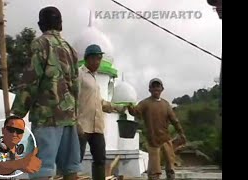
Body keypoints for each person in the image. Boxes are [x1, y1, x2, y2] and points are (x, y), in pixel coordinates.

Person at [10, 6, 81, 180]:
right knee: (70, 168)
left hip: (47, 116)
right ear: (61, 25)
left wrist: (17, 112)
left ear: (40, 24)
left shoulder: (40, 44)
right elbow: (76, 85)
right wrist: (74, 113)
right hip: (68, 116)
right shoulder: (70, 49)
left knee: (40, 167)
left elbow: (31, 79)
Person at [77, 44, 126, 180]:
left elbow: (100, 103)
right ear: (87, 59)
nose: (97, 62)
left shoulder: (94, 79)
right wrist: (75, 121)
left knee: (100, 159)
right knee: (76, 160)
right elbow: (72, 99)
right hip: (82, 126)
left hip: (97, 127)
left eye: (99, 58)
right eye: (94, 58)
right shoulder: (79, 75)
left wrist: (118, 107)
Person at [127, 78, 187, 180]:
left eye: (158, 86)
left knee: (171, 167)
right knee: (154, 171)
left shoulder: (166, 104)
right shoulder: (145, 103)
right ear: (149, 89)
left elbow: (174, 120)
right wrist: (129, 106)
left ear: (162, 89)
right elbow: (135, 112)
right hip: (153, 141)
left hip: (166, 139)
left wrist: (181, 133)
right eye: (153, 86)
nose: (156, 88)